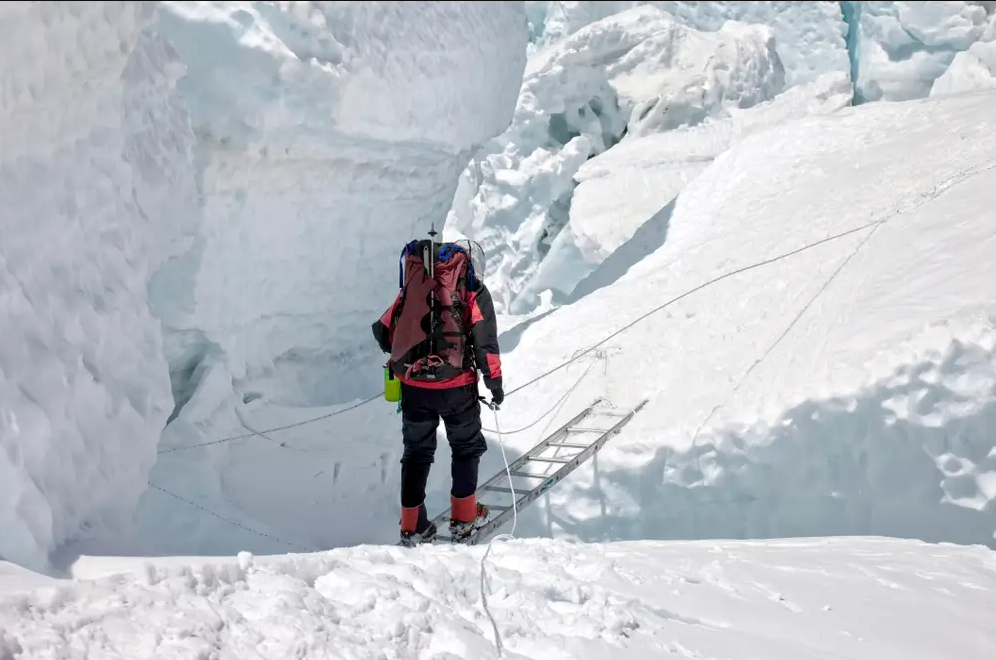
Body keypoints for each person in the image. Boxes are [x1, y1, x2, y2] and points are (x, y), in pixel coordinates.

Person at [372, 239, 504, 546]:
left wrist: (415, 354)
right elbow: (485, 342)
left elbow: (383, 331)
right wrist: (494, 383)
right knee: (466, 447)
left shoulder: (415, 288)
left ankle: (412, 525)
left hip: (414, 387)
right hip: (456, 387)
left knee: (416, 452)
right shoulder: (472, 291)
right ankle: (465, 518)